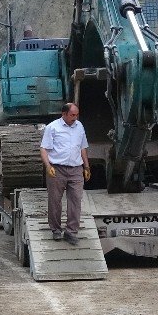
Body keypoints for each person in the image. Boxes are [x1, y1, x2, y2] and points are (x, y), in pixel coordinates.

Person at [40, 103, 91, 245]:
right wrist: (48, 166)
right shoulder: (52, 127)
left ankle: (71, 231)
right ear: (64, 114)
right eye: (72, 115)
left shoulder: (79, 126)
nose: (75, 118)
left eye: (77, 115)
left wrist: (86, 167)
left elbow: (83, 147)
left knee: (76, 200)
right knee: (55, 200)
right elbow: (44, 149)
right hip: (57, 169)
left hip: (76, 169)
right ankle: (56, 229)